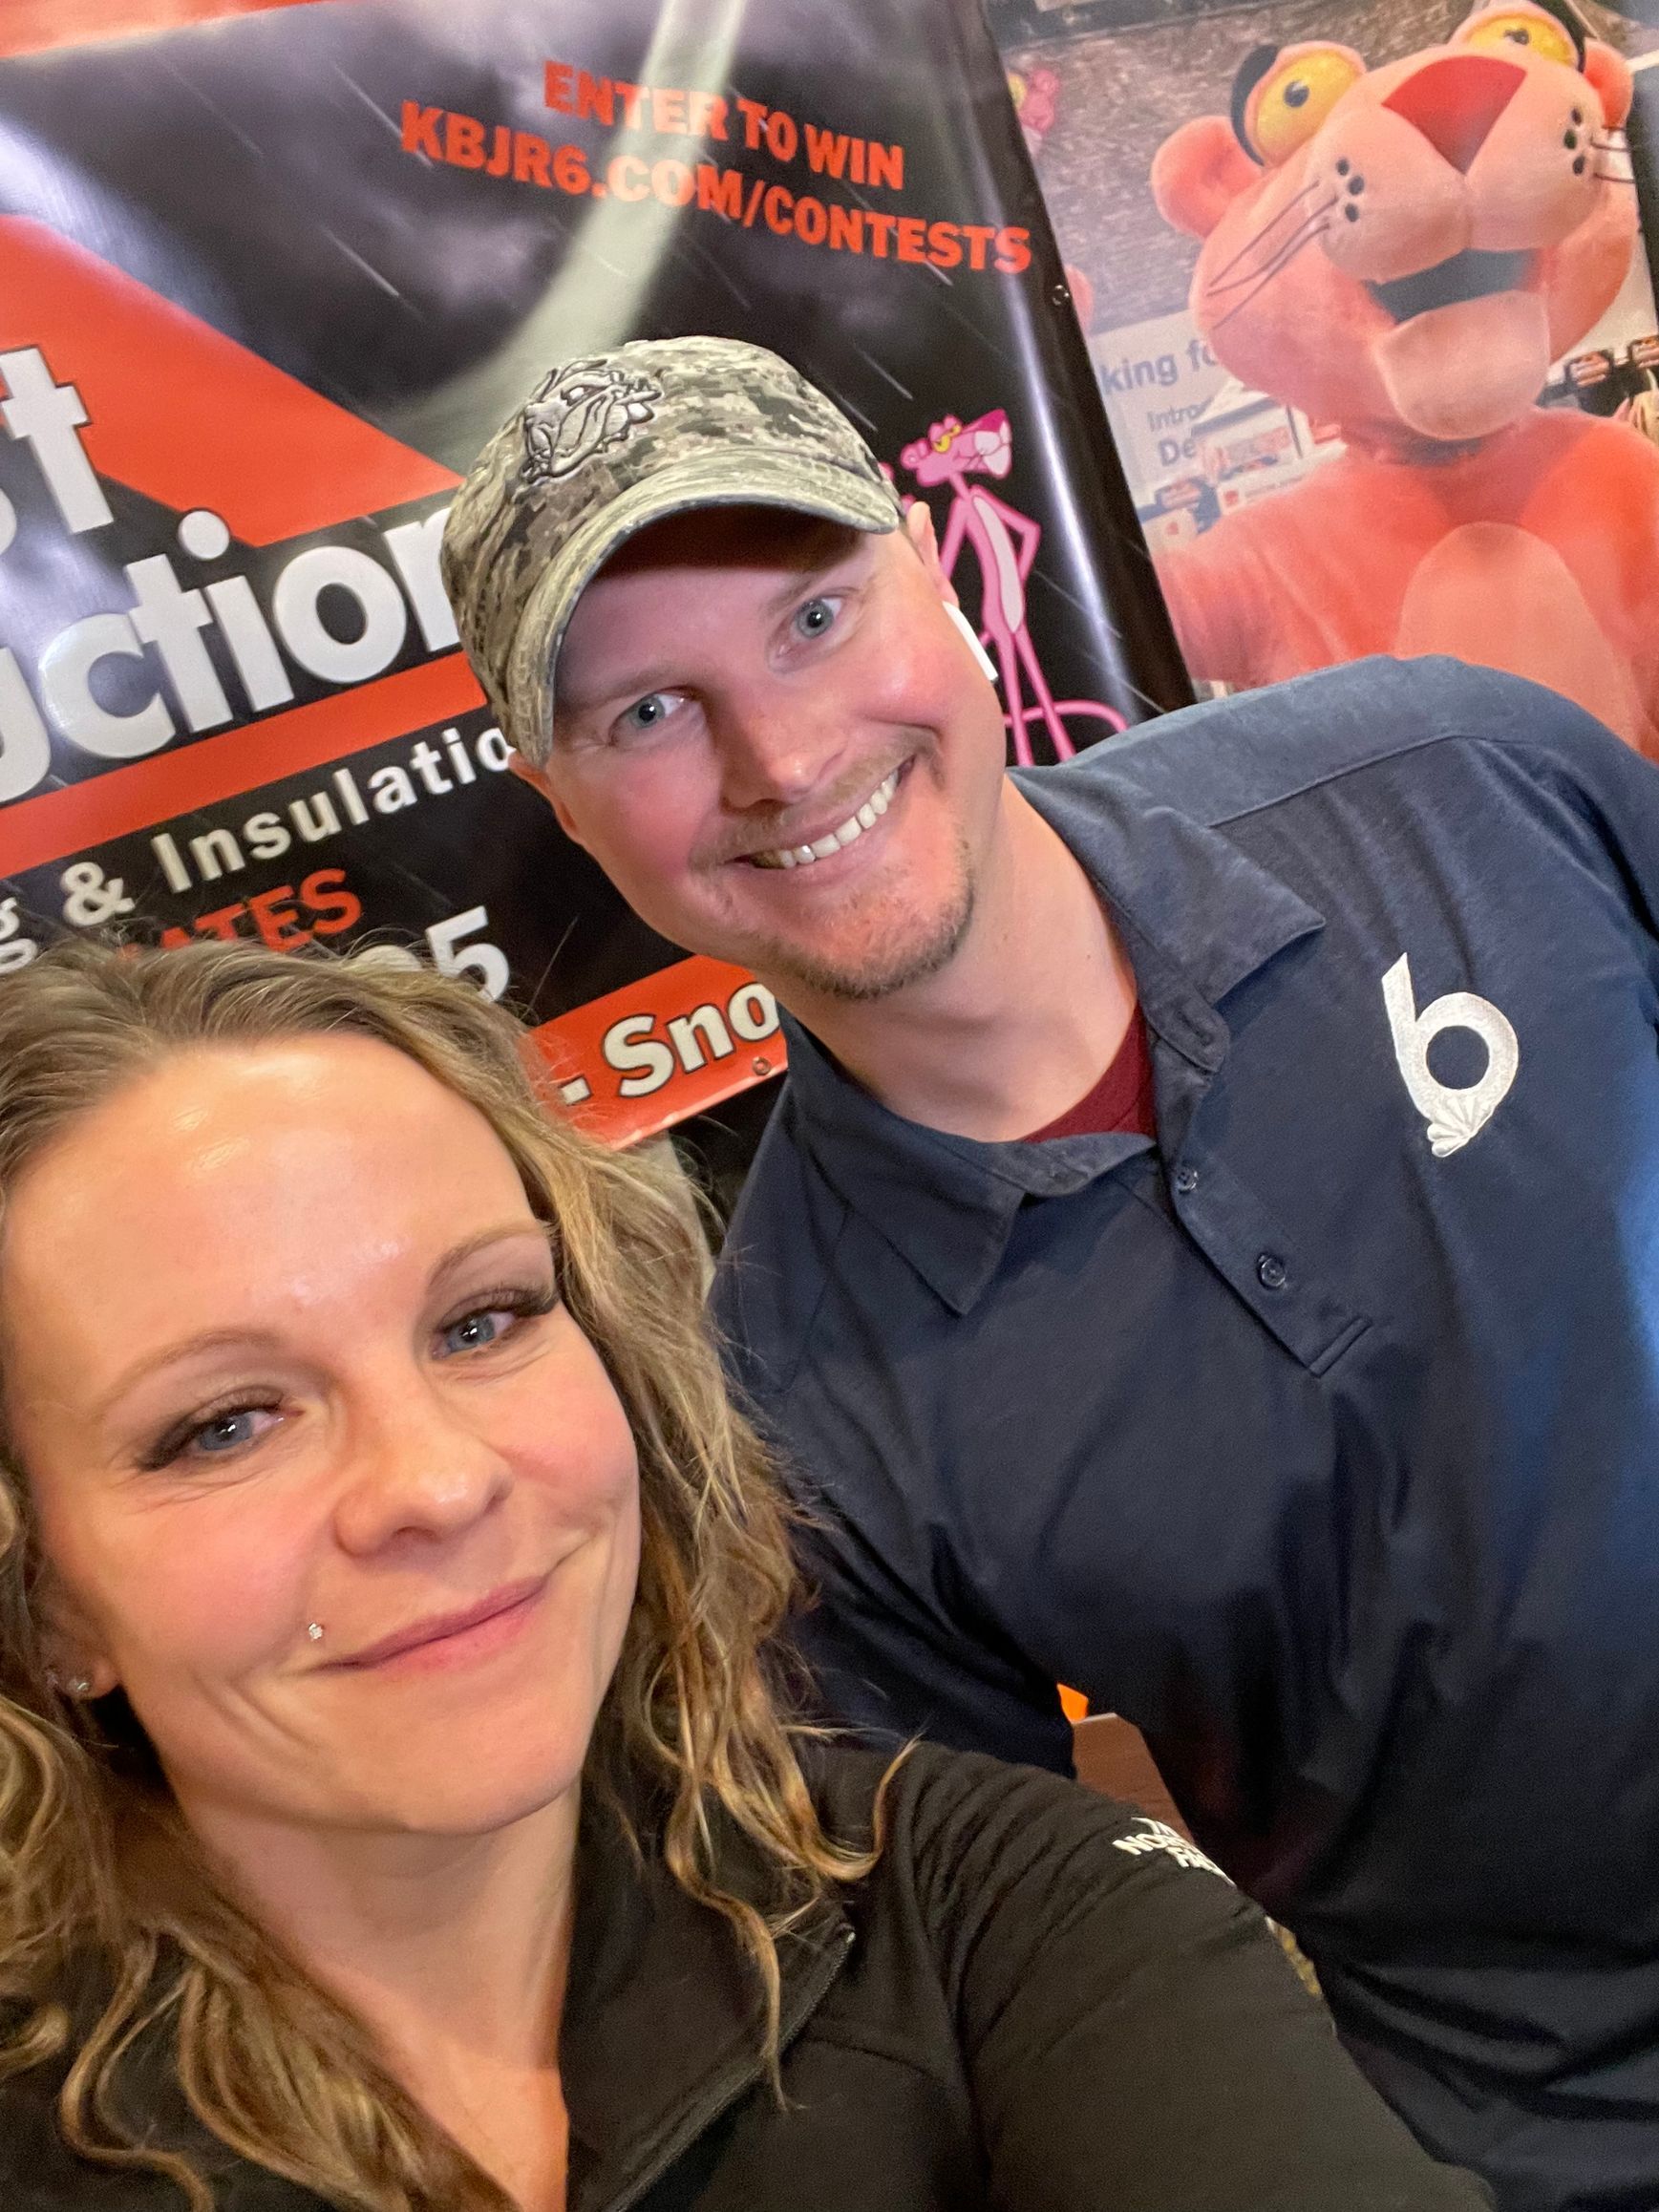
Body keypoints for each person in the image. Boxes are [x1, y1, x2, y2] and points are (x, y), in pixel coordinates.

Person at [440, 334, 1659, 2212]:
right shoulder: (791, 1414)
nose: (782, 758)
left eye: (815, 617)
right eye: (647, 717)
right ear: (561, 796)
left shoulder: (1453, 781)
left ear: (938, 569)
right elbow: (984, 1947)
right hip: (1540, 2143)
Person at [0, 938, 1486, 2212]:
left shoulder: (974, 1917)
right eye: (223, 1424)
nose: (439, 1483)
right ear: (47, 1597)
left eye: (482, 1321)